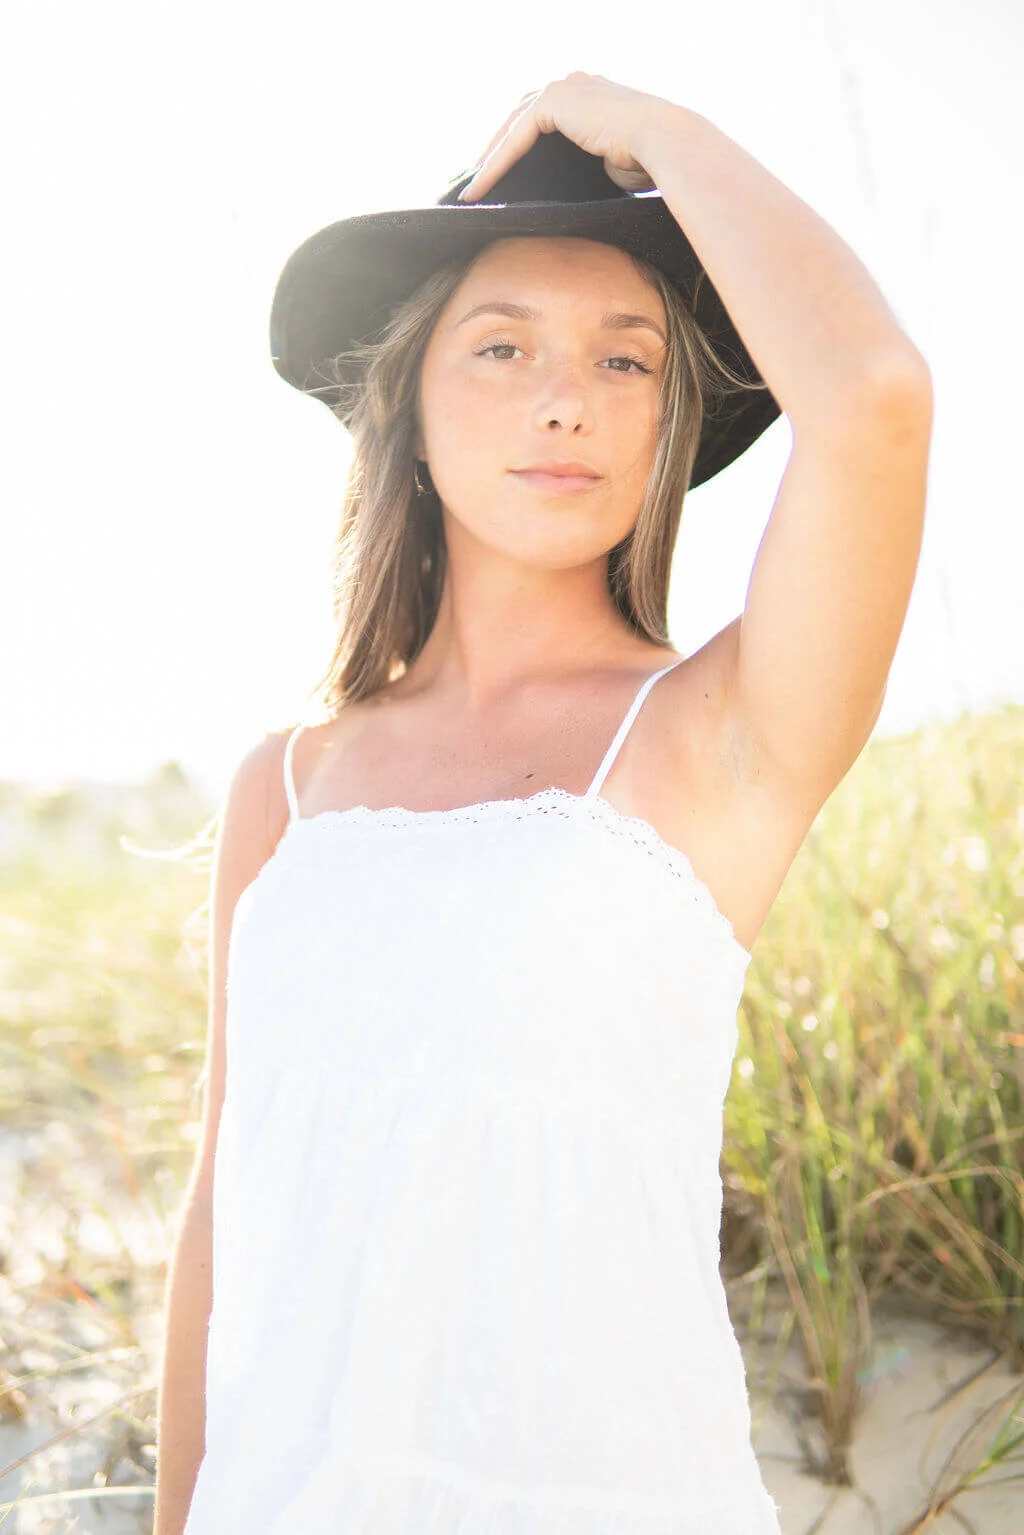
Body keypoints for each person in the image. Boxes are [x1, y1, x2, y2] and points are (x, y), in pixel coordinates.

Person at [154, 74, 933, 1535]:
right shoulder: (289, 784)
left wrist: (650, 128)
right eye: (502, 346)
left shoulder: (714, 735)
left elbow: (875, 400)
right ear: (409, 404)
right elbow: (223, 1200)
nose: (566, 396)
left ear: (669, 425)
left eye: (626, 360)